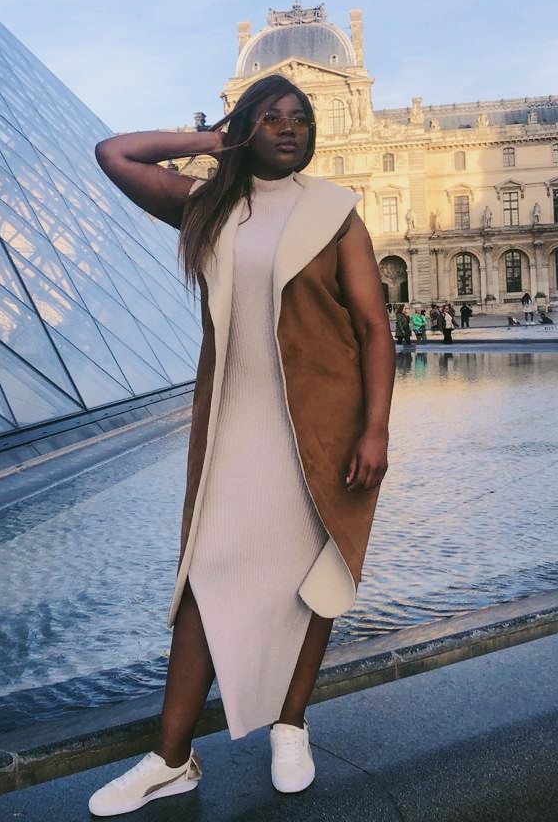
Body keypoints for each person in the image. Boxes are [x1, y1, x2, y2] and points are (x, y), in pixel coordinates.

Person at [89, 74, 394, 815]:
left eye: (300, 118)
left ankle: (291, 722)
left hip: (323, 422)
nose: (288, 128)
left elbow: (372, 327)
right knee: (206, 576)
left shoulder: (335, 211)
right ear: (246, 127)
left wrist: (376, 426)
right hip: (236, 423)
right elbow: (115, 153)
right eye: (271, 117)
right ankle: (171, 759)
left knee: (316, 575)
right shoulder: (208, 205)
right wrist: (206, 143)